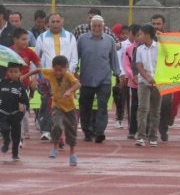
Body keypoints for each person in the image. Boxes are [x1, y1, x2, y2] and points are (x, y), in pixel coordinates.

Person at [22, 56, 81, 166]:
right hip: (57, 106)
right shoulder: (50, 73)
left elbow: (78, 84)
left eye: (61, 70)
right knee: (57, 126)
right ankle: (55, 147)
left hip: (70, 108)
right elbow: (38, 70)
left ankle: (72, 153)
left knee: (71, 130)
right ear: (52, 68)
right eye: (56, 69)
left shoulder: (68, 75)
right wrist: (25, 76)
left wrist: (70, 91)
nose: (58, 72)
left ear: (66, 68)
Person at [35, 12, 78, 140]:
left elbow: (74, 59)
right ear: (48, 23)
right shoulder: (41, 38)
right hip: (48, 77)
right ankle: (45, 130)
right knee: (46, 102)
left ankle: (61, 130)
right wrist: (37, 76)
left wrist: (67, 73)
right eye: (52, 22)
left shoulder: (70, 37)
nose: (55, 24)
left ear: (62, 22)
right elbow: (37, 59)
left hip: (65, 77)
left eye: (57, 21)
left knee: (63, 104)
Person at [77, 15, 120, 143]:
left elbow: (114, 59)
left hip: (104, 80)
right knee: (85, 107)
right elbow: (75, 58)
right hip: (86, 79)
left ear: (103, 26)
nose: (97, 28)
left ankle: (100, 131)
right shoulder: (82, 39)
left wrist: (119, 74)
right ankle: (87, 131)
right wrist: (73, 72)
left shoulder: (109, 40)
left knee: (102, 106)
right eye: (94, 26)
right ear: (90, 26)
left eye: (99, 26)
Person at [10, 28, 42, 143]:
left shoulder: (29, 52)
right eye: (23, 39)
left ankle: (23, 133)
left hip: (24, 86)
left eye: (27, 39)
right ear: (15, 39)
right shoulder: (9, 52)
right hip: (9, 86)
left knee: (22, 109)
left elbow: (39, 65)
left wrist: (31, 77)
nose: (26, 42)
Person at [135, 25, 161, 147]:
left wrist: (157, 78)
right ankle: (141, 136)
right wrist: (147, 77)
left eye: (140, 34)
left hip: (158, 82)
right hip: (144, 82)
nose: (139, 37)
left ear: (147, 35)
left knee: (155, 110)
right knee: (143, 108)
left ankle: (153, 136)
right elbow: (139, 66)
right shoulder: (140, 49)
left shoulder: (160, 47)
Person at [150, 14, 173, 142]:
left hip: (165, 77)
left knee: (165, 104)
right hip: (150, 77)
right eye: (154, 24)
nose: (156, 26)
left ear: (163, 25)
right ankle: (150, 130)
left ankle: (163, 129)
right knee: (150, 105)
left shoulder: (169, 39)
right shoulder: (146, 38)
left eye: (158, 24)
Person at [0, 62, 29, 161]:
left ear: (20, 73)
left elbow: (26, 102)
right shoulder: (2, 82)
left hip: (16, 114)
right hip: (3, 113)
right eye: (10, 71)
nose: (13, 74)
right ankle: (6, 141)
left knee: (16, 136)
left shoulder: (21, 87)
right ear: (7, 71)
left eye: (15, 72)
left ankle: (15, 154)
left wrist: (23, 106)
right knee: (4, 129)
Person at [122, 24, 141, 139]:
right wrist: (133, 75)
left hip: (146, 82)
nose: (140, 37)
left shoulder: (148, 48)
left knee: (145, 107)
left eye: (141, 34)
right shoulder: (129, 49)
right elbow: (126, 64)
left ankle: (144, 129)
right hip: (133, 84)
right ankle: (132, 130)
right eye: (137, 35)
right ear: (133, 36)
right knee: (133, 106)